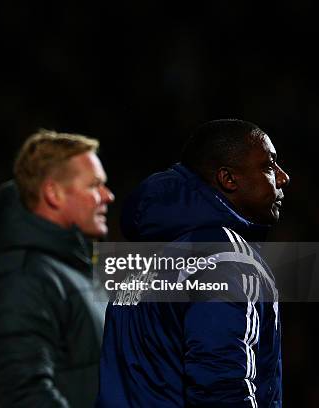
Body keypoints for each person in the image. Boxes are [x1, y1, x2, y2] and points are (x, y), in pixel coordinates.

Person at [97, 119, 290, 407]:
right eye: (268, 165)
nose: (283, 177)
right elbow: (223, 387)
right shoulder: (226, 256)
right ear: (229, 179)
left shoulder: (141, 259)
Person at [0, 130, 115, 407]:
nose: (108, 196)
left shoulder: (72, 266)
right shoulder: (20, 277)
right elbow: (23, 394)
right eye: (94, 185)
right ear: (53, 193)